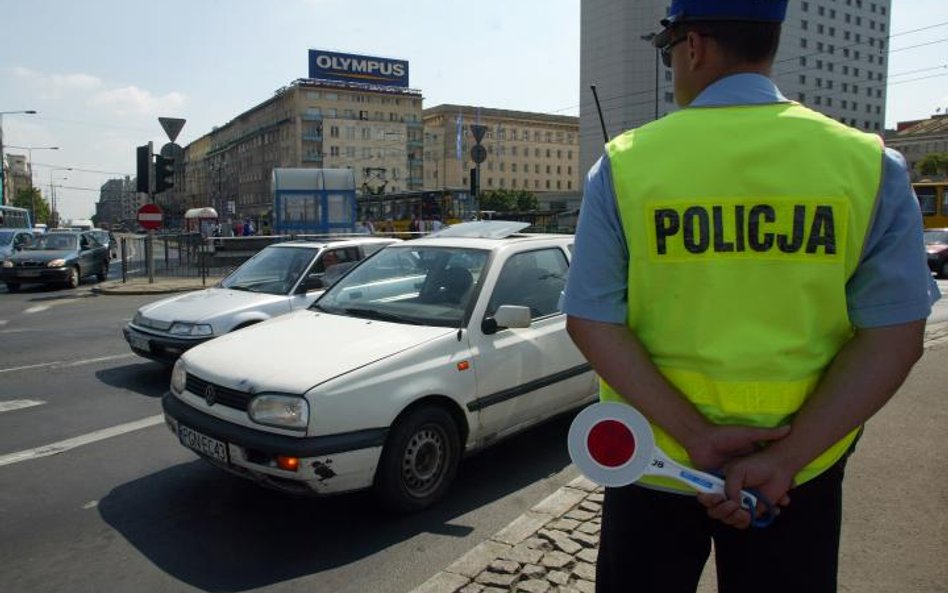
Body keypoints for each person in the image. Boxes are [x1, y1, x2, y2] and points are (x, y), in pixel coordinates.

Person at [561, 2, 941, 592]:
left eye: (667, 52)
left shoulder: (626, 165)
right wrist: (785, 461)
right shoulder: (869, 165)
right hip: (797, 477)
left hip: (657, 468)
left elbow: (590, 320)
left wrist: (696, 435)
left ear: (693, 47)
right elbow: (896, 339)